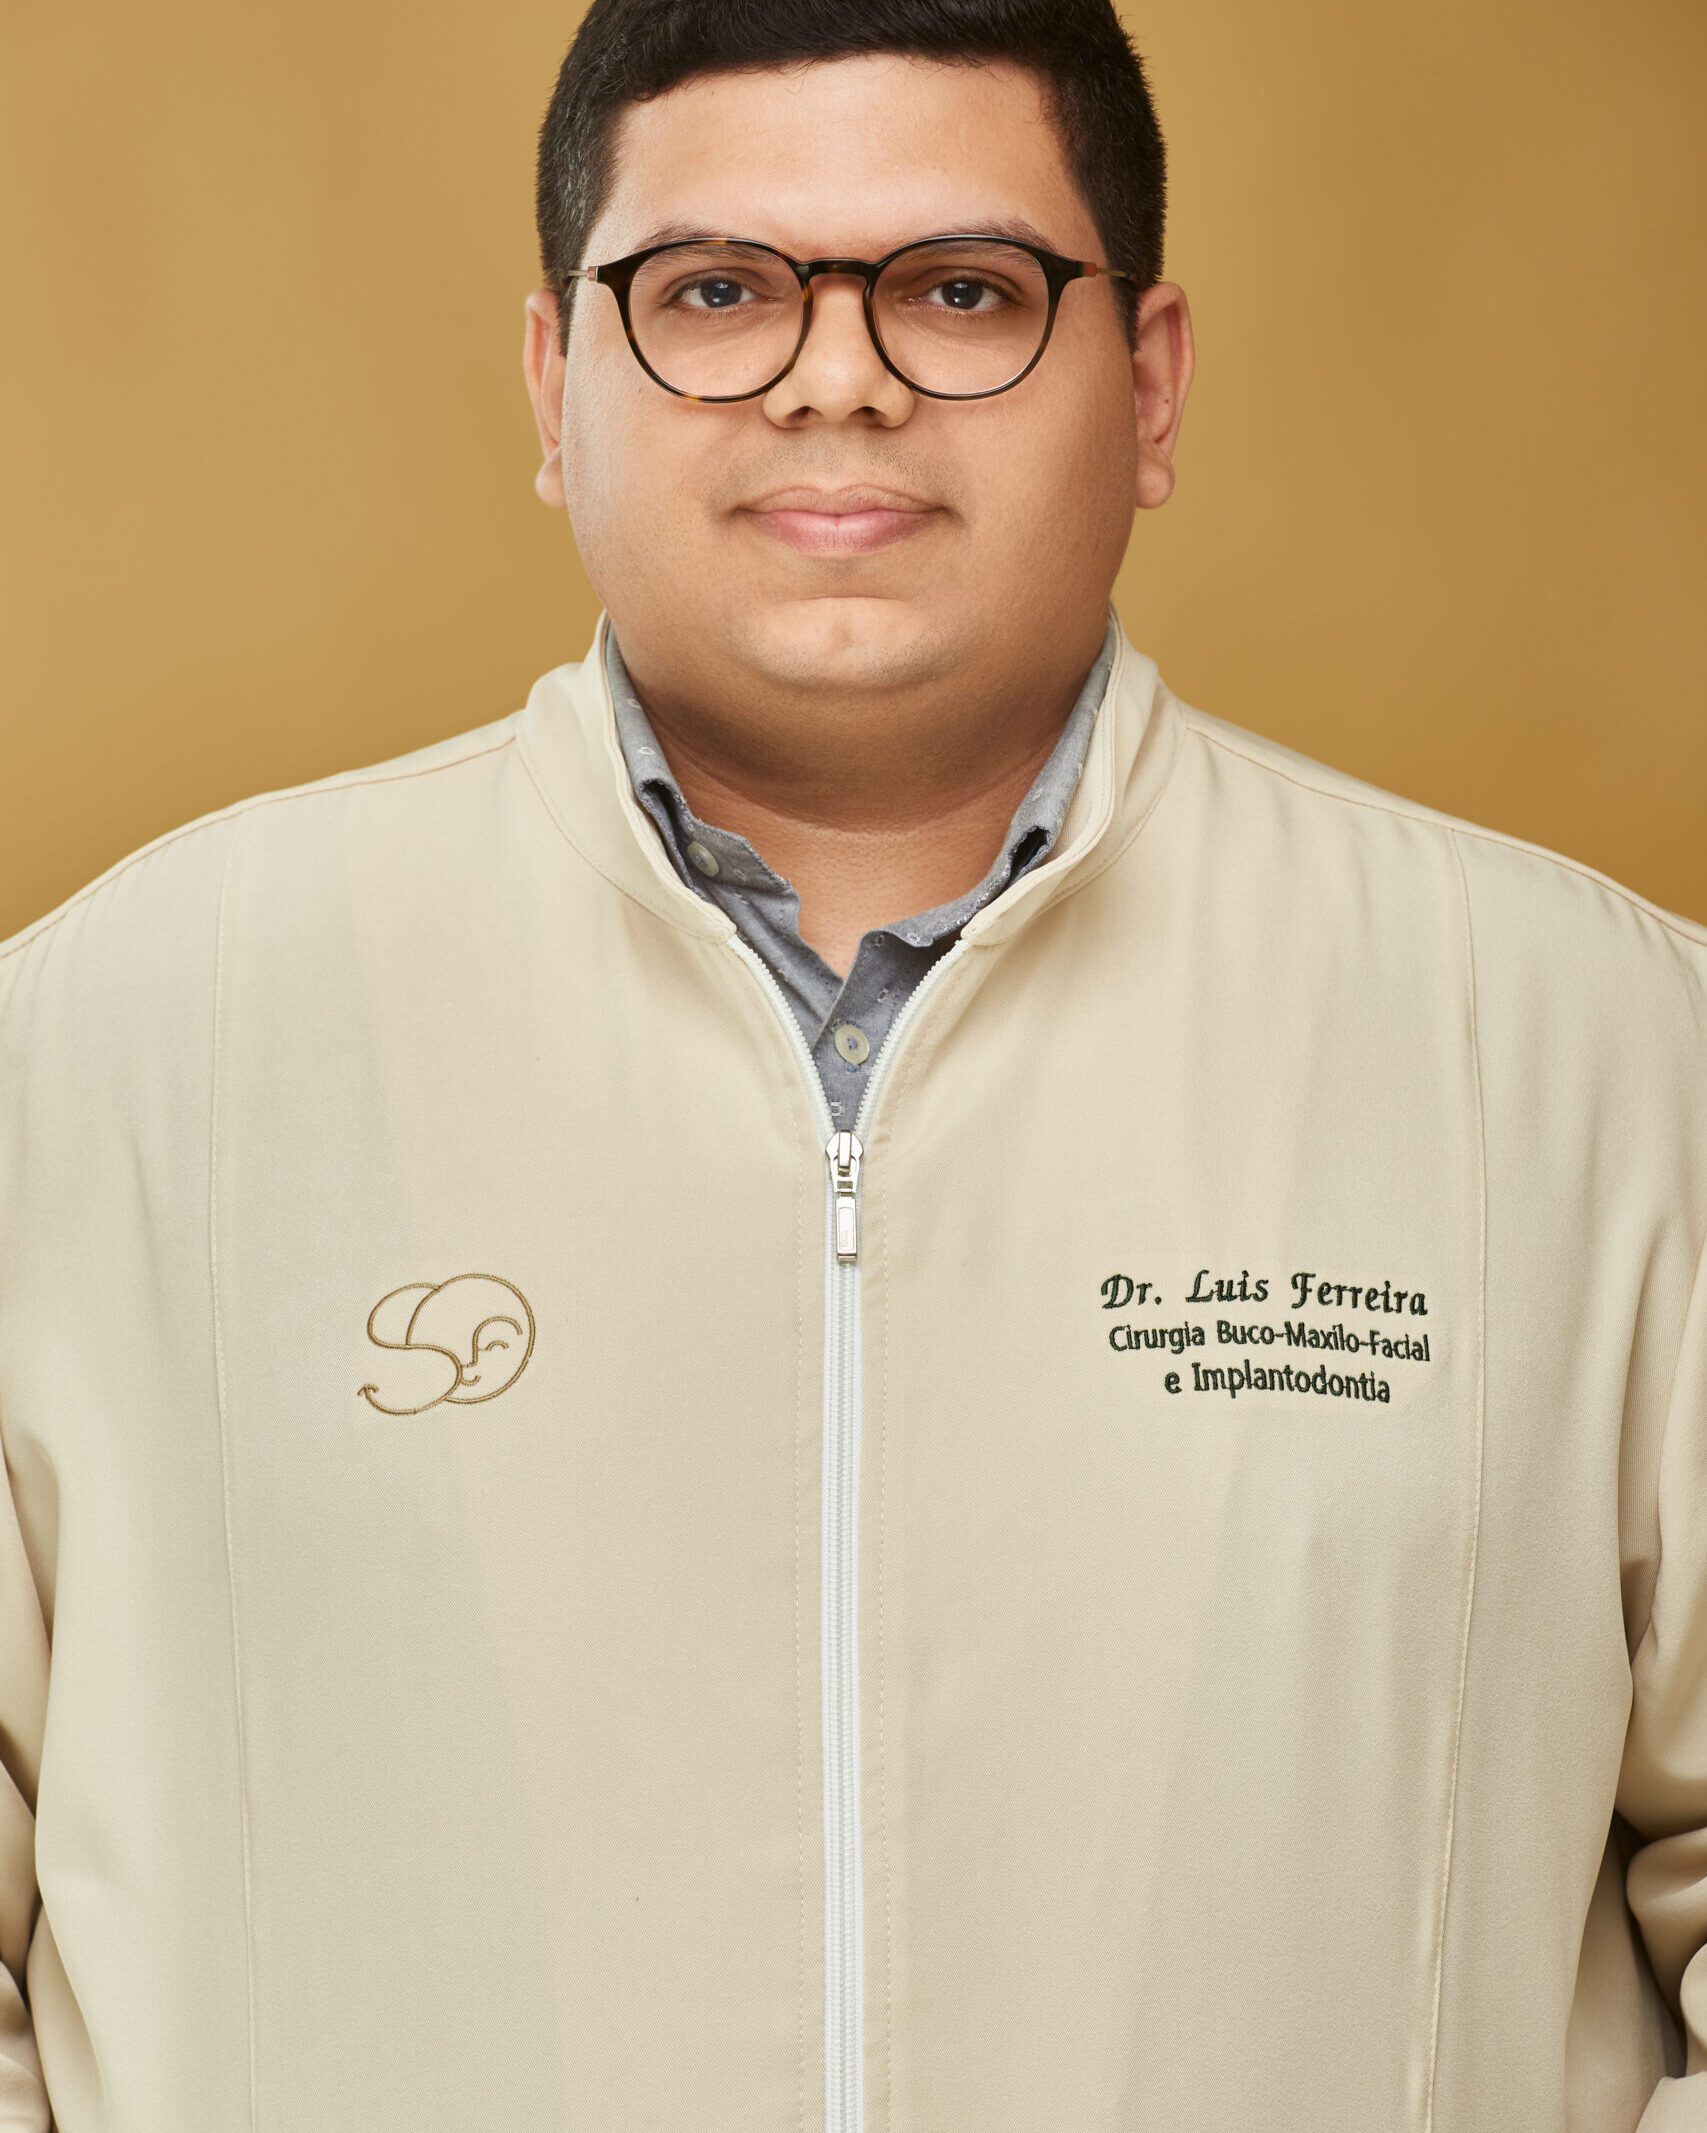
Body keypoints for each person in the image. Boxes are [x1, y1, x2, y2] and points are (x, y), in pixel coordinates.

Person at [0, 0, 1702, 2125]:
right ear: (553, 384)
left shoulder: (1589, 1054)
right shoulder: (109, 1050)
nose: (836, 377)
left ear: (1149, 384)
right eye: (714, 291)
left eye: (962, 290)